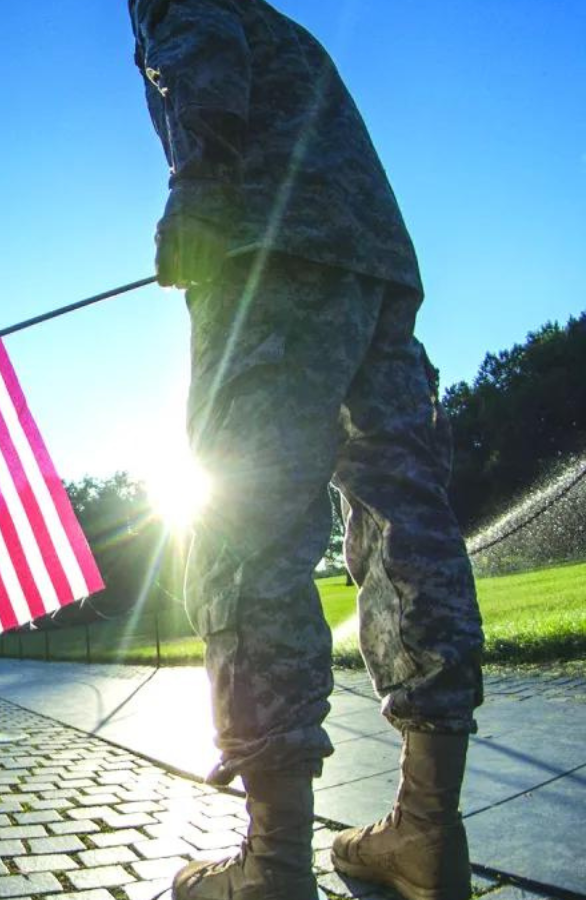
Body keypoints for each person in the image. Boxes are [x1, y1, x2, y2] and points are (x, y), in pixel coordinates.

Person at [125, 2, 485, 899]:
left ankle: (275, 863)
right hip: (376, 266)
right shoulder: (285, 27)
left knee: (241, 530)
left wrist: (197, 192)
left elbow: (196, 47)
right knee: (410, 519)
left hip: (267, 258)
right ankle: (427, 831)